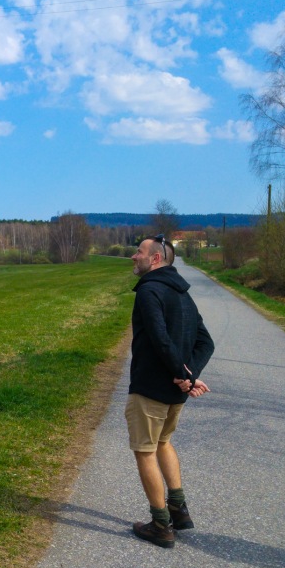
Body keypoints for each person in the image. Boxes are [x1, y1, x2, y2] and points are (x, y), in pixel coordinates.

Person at [127, 234, 215, 549]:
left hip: (150, 387)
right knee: (163, 441)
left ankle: (161, 524)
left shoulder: (150, 291)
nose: (133, 256)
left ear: (155, 259)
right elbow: (206, 343)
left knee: (145, 450)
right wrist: (188, 376)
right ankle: (179, 509)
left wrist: (183, 374)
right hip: (175, 393)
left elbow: (159, 338)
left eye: (139, 252)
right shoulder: (183, 295)